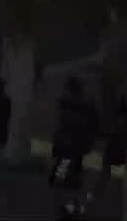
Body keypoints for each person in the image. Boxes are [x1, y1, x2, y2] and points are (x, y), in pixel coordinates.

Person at [47, 76, 101, 218]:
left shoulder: (67, 106)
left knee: (59, 181)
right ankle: (75, 208)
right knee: (75, 181)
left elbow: (62, 129)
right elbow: (95, 127)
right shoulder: (88, 106)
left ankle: (65, 209)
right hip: (78, 151)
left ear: (70, 90)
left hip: (66, 151)